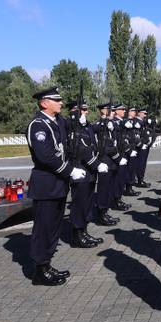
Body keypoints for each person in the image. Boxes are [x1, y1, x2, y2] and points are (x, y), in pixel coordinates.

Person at [26, 86, 85, 286]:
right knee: (43, 228)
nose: (61, 103)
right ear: (44, 103)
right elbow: (46, 157)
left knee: (54, 228)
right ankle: (39, 270)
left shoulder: (57, 121)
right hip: (46, 184)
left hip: (58, 184)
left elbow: (71, 126)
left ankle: (47, 264)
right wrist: (70, 171)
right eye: (56, 100)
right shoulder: (38, 125)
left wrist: (79, 119)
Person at [66, 102, 107, 249]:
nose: (86, 112)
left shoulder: (85, 125)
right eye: (83, 109)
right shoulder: (72, 126)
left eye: (86, 109)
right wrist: (73, 119)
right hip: (80, 170)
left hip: (89, 172)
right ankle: (77, 235)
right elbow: (80, 149)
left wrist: (105, 117)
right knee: (79, 204)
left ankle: (84, 231)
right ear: (74, 111)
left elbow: (96, 133)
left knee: (87, 203)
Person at [92, 102, 120, 227]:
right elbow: (102, 146)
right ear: (103, 111)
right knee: (103, 189)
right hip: (104, 161)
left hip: (112, 161)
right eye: (111, 110)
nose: (114, 112)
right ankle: (101, 214)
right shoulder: (99, 125)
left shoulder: (111, 124)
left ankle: (105, 211)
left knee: (109, 188)